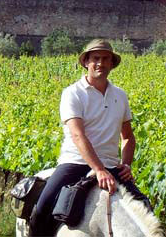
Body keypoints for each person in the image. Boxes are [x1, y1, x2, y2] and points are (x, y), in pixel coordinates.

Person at [29, 39, 151, 236]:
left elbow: (128, 137)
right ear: (86, 61)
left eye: (105, 59)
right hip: (75, 162)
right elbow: (78, 135)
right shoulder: (72, 93)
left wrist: (126, 164)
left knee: (145, 207)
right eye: (95, 58)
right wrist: (98, 169)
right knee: (42, 208)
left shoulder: (120, 95)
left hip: (111, 166)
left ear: (112, 64)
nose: (100, 63)